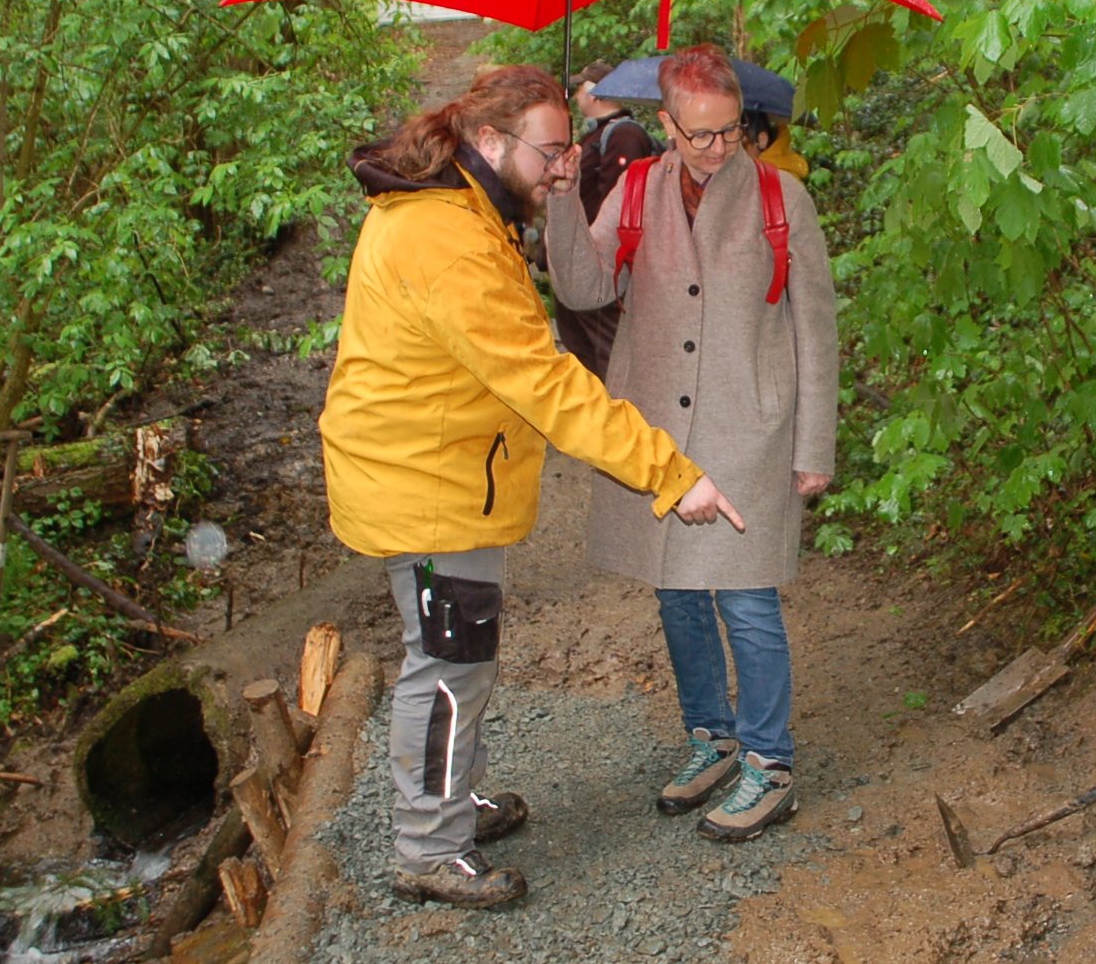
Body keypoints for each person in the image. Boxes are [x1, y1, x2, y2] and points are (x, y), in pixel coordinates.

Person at [320, 64, 744, 908]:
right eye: (552, 153)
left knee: (462, 657)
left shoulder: (465, 211)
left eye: (571, 150)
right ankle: (428, 849)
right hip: (425, 486)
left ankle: (454, 806)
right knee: (444, 669)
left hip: (440, 473)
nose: (565, 169)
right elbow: (546, 383)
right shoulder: (446, 238)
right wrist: (668, 473)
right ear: (489, 140)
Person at [545, 44, 838, 843]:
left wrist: (814, 445)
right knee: (677, 592)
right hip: (660, 436)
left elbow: (815, 328)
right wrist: (563, 201)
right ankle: (712, 737)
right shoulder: (636, 188)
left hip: (753, 430)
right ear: (666, 123)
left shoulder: (783, 199)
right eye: (700, 134)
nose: (718, 149)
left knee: (747, 603)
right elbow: (584, 287)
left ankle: (770, 765)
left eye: (731, 131)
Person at [557, 61, 662, 377]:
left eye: (581, 87)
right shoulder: (597, 135)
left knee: (606, 352)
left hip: (604, 266)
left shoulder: (624, 135)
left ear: (598, 94)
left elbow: (619, 201)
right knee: (582, 350)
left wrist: (594, 253)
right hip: (584, 263)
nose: (576, 94)